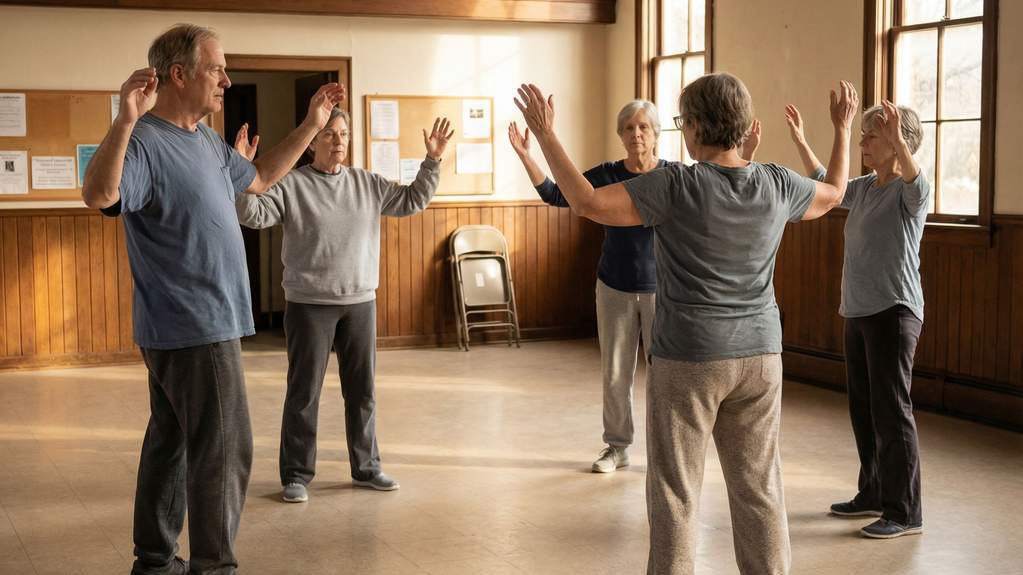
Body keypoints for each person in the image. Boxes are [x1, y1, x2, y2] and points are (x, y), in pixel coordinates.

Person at [514, 74, 858, 574]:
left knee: (675, 492)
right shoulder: (777, 182)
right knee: (759, 488)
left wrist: (546, 135)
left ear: (696, 127)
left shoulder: (675, 184)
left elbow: (588, 203)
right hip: (761, 358)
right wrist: (842, 128)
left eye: (681, 122)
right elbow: (836, 191)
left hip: (690, 358)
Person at [81, 24, 344, 575]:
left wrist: (310, 126)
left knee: (171, 444)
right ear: (179, 75)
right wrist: (124, 119)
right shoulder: (147, 141)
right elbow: (100, 195)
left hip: (198, 323)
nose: (227, 79)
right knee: (226, 450)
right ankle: (213, 566)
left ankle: (154, 560)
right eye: (216, 69)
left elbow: (260, 178)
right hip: (191, 324)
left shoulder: (204, 140)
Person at [508, 102, 760, 473]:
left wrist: (748, 154)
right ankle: (616, 446)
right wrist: (528, 156)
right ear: (620, 135)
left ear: (656, 134)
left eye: (643, 127)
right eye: (628, 127)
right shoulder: (607, 175)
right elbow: (556, 194)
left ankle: (666, 449)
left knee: (667, 375)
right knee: (615, 371)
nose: (636, 134)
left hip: (667, 290)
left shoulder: (676, 176)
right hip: (614, 287)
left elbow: (721, 185)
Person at [233, 108, 453, 503]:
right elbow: (253, 215)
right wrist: (241, 177)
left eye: (344, 134)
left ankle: (367, 468)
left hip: (360, 303)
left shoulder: (366, 183)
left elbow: (412, 200)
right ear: (312, 141)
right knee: (304, 394)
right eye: (330, 134)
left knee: (362, 392)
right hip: (308, 305)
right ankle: (297, 476)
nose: (338, 141)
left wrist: (432, 160)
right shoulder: (291, 184)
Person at [784, 100, 929, 539]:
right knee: (863, 409)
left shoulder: (910, 191)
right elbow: (824, 185)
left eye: (872, 135)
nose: (864, 142)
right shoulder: (865, 187)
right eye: (863, 135)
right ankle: (872, 492)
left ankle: (905, 512)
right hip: (859, 310)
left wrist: (901, 141)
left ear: (896, 142)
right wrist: (803, 140)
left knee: (891, 410)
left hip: (894, 311)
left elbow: (918, 181)